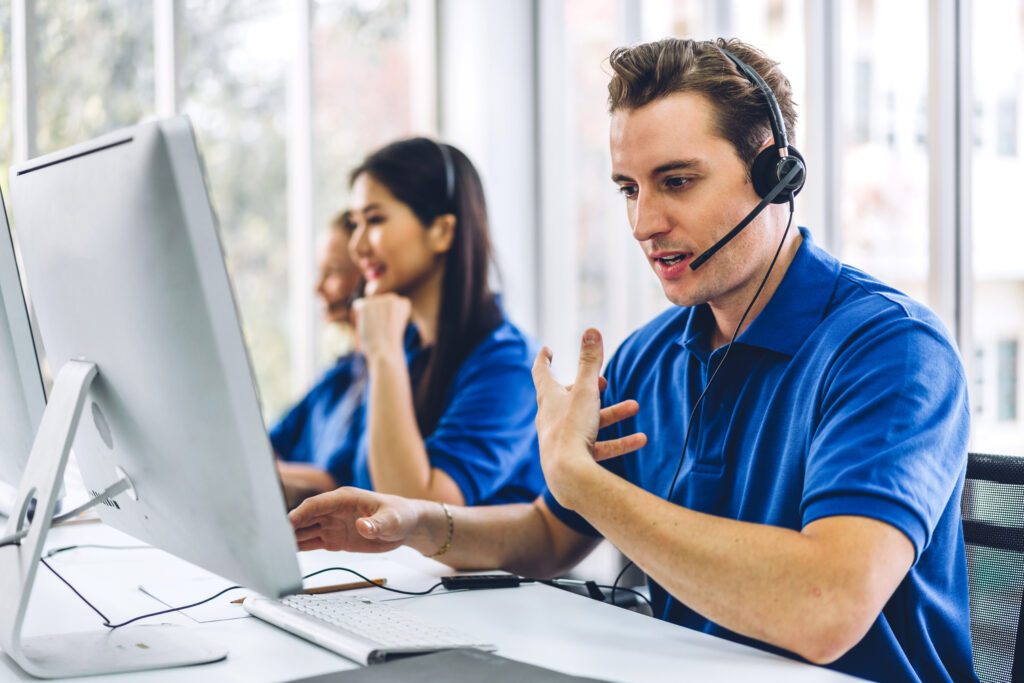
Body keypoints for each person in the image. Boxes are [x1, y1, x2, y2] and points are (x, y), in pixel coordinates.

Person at [288, 38, 975, 682]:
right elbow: (550, 533)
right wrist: (420, 522)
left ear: (774, 172)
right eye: (628, 188)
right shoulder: (653, 352)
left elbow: (824, 608)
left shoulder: (893, 350)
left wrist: (585, 481)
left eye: (676, 182)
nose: (644, 222)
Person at [340, 137, 544, 507]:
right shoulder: (410, 348)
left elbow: (417, 512)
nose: (356, 246)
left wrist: (383, 352)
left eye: (374, 220)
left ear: (442, 231)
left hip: (472, 567)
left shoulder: (509, 365)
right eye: (354, 224)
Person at [271, 212, 365, 509]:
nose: (318, 288)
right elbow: (268, 445)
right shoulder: (338, 375)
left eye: (333, 272)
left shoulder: (388, 381)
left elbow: (337, 483)